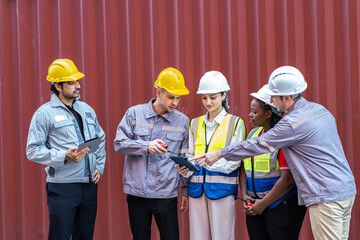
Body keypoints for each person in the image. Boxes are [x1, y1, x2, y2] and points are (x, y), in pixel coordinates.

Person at [193, 66, 356, 240]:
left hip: (326, 197)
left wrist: (219, 154)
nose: (272, 101)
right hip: (344, 191)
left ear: (286, 98)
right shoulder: (320, 110)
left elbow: (258, 145)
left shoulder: (292, 123)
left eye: (273, 97)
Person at [26, 59, 106, 240]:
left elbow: (101, 139)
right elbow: (32, 150)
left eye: (77, 81)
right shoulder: (44, 113)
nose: (78, 86)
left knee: (85, 235)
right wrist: (64, 156)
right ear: (57, 86)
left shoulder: (86, 109)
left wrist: (98, 167)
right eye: (71, 83)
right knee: (60, 236)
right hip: (63, 187)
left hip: (89, 187)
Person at [113, 67, 190, 240]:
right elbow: (119, 144)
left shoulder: (183, 121)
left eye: (178, 98)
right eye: (171, 97)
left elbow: (184, 159)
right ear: (158, 92)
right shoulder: (134, 113)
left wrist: (184, 191)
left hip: (166, 194)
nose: (175, 103)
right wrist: (146, 146)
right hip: (137, 194)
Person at [176, 71, 246, 240]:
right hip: (196, 191)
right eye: (204, 97)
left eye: (213, 97)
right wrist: (185, 169)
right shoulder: (195, 123)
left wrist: (206, 162)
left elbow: (234, 162)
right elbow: (192, 155)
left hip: (222, 192)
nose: (208, 102)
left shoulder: (235, 123)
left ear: (224, 95)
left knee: (222, 237)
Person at [240, 85, 306, 239]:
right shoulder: (253, 134)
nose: (250, 115)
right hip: (254, 207)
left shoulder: (284, 138)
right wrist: (244, 194)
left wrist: (262, 204)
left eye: (255, 112)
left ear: (269, 113)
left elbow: (287, 180)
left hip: (281, 207)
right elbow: (244, 167)